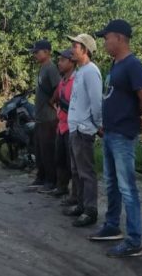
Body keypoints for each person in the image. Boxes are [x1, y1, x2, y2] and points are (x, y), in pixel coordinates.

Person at [89, 19, 142, 258]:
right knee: (112, 184)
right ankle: (112, 226)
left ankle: (134, 241)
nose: (105, 42)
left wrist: (130, 116)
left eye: (106, 38)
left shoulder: (132, 65)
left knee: (127, 188)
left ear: (119, 38)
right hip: (110, 133)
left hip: (122, 135)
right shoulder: (116, 64)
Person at [62, 33, 102, 227]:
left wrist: (97, 125)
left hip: (83, 129)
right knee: (76, 171)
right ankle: (79, 204)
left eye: (75, 46)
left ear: (85, 50)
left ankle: (90, 210)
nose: (72, 50)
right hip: (75, 128)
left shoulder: (91, 72)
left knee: (86, 173)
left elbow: (96, 102)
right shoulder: (80, 71)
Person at [27, 39, 61, 193]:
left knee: (48, 150)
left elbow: (58, 87)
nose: (34, 55)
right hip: (40, 117)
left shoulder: (51, 68)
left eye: (37, 52)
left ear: (46, 52)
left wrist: (52, 101)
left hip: (49, 117)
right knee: (39, 150)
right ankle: (41, 177)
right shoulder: (42, 68)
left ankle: (51, 180)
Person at [52, 48, 76, 201]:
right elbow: (54, 99)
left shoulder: (76, 81)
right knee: (60, 158)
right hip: (61, 126)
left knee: (71, 162)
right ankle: (62, 187)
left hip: (71, 127)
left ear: (71, 62)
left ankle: (75, 194)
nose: (59, 63)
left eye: (62, 60)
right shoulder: (62, 81)